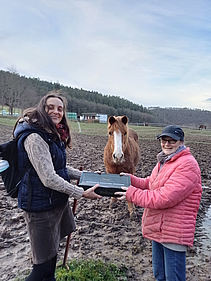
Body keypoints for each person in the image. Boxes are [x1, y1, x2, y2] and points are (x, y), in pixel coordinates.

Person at [13, 91, 102, 281]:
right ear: (42, 109)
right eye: (50, 107)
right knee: (40, 269)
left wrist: (87, 176)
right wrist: (81, 193)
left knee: (51, 262)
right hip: (40, 209)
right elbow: (49, 178)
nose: (56, 111)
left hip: (54, 203)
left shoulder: (51, 133)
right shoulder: (35, 137)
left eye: (60, 109)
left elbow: (60, 167)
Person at [116, 125, 202, 281]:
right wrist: (130, 179)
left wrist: (131, 193)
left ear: (181, 142)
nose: (166, 144)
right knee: (160, 275)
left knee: (173, 278)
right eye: (164, 140)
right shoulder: (165, 161)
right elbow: (152, 183)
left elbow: (164, 197)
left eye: (171, 141)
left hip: (174, 232)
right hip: (159, 228)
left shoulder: (187, 164)